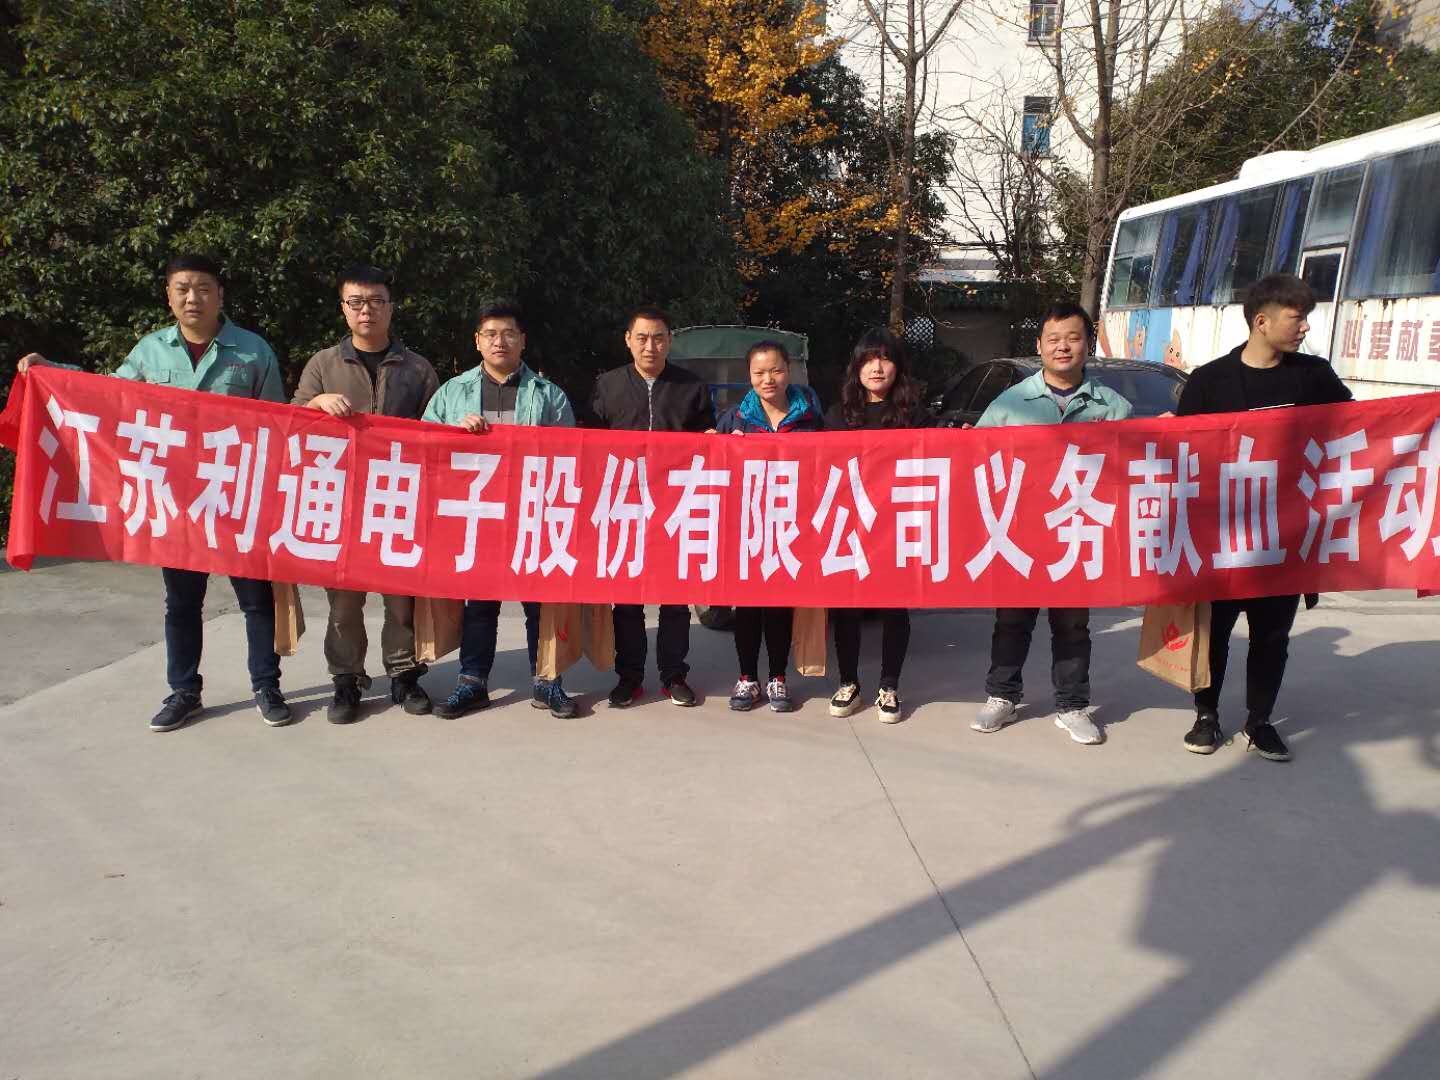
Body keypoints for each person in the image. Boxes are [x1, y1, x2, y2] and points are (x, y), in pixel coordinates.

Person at [18, 254, 292, 733]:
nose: (193, 297)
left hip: (237, 497)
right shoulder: (151, 351)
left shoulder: (252, 351)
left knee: (256, 599)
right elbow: (105, 394)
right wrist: (51, 371)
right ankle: (184, 691)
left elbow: (278, 424)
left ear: (220, 295)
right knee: (182, 602)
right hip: (176, 502)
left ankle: (266, 686)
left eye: (203, 288)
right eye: (182, 288)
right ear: (169, 296)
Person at [1175, 273, 1352, 762]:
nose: (1304, 328)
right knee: (1215, 634)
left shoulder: (1314, 377)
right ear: (1262, 321)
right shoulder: (1210, 380)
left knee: (1272, 636)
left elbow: (1359, 430)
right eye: (1297, 318)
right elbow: (1182, 456)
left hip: (1286, 535)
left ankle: (1259, 721)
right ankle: (1206, 715)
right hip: (1222, 537)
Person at [971, 301, 1133, 745]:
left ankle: (1072, 705)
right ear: (1039, 345)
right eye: (1054, 339)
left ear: (1088, 344)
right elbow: (975, 458)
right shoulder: (1010, 403)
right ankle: (1002, 696)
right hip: (1020, 532)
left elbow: (1131, 468)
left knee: (1072, 625)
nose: (1063, 347)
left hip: (1076, 531)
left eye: (1073, 338)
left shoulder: (1112, 406)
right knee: (1011, 619)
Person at [292, 265, 440, 724]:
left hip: (399, 500)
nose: (366, 311)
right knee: (343, 601)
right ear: (343, 309)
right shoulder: (323, 365)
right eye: (356, 302)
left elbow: (438, 432)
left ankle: (404, 675)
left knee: (401, 598)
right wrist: (316, 403)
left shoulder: (417, 368)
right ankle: (346, 678)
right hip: (340, 501)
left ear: (391, 308)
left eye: (376, 301)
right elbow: (291, 422)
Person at [424, 298, 580, 719]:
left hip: (532, 512)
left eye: (509, 333)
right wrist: (454, 432)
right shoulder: (452, 393)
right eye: (491, 334)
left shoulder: (548, 394)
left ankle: (546, 681)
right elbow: (424, 444)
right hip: (477, 513)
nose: (500, 341)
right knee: (480, 603)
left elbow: (570, 453)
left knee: (538, 603)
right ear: (477, 341)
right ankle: (472, 682)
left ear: (522, 340)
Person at [589, 304, 715, 708]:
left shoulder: (691, 387)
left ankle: (674, 675)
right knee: (627, 599)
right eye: (642, 338)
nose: (650, 346)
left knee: (675, 599)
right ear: (628, 340)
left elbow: (708, 441)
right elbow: (588, 443)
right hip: (624, 505)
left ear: (669, 341)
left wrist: (712, 439)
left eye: (658, 338)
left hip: (675, 506)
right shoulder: (607, 385)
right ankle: (629, 676)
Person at [822, 328, 930, 723]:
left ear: (898, 366)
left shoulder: (914, 416)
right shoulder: (838, 415)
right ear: (857, 367)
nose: (877, 367)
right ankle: (848, 683)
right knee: (846, 608)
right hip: (850, 525)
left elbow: (943, 458)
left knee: (894, 607)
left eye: (885, 358)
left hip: (896, 526)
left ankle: (889, 686)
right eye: (868, 359)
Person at [713, 340, 824, 713]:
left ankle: (777, 677)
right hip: (747, 525)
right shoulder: (735, 419)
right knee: (746, 607)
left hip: (792, 524)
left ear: (788, 370)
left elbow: (826, 464)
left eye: (775, 370)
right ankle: (747, 677)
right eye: (759, 372)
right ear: (749, 375)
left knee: (779, 606)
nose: (768, 379)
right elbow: (715, 467)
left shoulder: (809, 418)